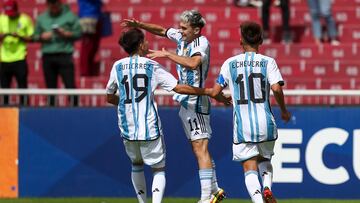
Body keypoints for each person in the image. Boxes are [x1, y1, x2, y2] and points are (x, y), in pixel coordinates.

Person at [106, 27, 227, 203]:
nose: (147, 43)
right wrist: (208, 91)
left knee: (136, 164)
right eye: (145, 41)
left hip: (127, 127)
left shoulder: (117, 67)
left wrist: (127, 103)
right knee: (158, 169)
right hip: (149, 126)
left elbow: (110, 97)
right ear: (141, 45)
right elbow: (178, 87)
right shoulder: (151, 66)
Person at [201, 21, 291, 203]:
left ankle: (258, 200)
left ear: (241, 40)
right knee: (265, 159)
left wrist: (223, 99)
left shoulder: (229, 63)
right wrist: (283, 110)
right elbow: (277, 89)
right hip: (266, 122)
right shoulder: (268, 62)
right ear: (261, 41)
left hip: (243, 126)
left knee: (249, 166)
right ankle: (267, 187)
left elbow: (215, 91)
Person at [33, 0, 81, 106]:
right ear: (47, 4)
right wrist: (42, 37)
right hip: (48, 55)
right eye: (51, 3)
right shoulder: (42, 18)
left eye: (55, 3)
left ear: (60, 3)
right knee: (50, 87)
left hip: (64, 55)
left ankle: (76, 110)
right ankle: (51, 111)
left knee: (70, 85)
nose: (53, 5)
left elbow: (78, 33)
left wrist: (65, 33)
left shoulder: (70, 16)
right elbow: (35, 36)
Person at [0, 0, 34, 106]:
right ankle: (4, 111)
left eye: (12, 13)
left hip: (20, 58)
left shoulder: (25, 19)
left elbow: (32, 38)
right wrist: (3, 36)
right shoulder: (1, 19)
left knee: (22, 87)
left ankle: (25, 110)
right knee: (5, 88)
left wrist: (19, 36)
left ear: (16, 9)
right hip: (4, 59)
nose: (10, 16)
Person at [77, 0, 102, 76]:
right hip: (87, 16)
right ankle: (84, 71)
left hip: (95, 15)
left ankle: (89, 70)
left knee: (93, 46)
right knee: (87, 46)